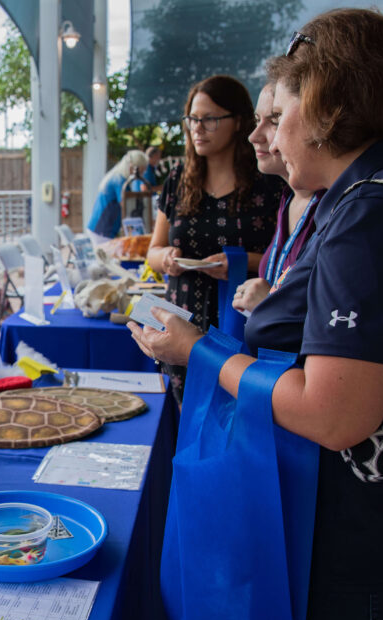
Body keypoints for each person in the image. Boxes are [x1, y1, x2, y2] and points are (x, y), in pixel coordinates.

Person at [129, 10, 383, 620]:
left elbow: (335, 415)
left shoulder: (367, 213)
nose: (259, 133)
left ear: (331, 102)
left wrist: (198, 352)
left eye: (280, 108)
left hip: (340, 525)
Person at [145, 75, 283, 398]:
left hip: (243, 326)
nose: (198, 128)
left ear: (237, 122)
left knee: (236, 421)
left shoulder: (269, 183)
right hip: (181, 324)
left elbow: (288, 260)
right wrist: (165, 258)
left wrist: (239, 263)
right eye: (193, 119)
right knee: (185, 424)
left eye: (209, 119)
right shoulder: (178, 179)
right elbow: (152, 251)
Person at [232, 83, 325, 316]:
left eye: (275, 119)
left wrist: (271, 301)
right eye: (257, 120)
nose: (254, 136)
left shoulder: (334, 207)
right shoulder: (288, 198)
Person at [85, 149, 150, 246]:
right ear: (134, 167)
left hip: (100, 228)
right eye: (142, 170)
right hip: (103, 229)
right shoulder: (120, 181)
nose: (143, 173)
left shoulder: (116, 177)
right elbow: (127, 205)